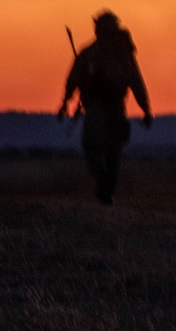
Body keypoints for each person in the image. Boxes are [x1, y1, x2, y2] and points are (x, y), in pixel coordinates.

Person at [58, 11, 153, 204]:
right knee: (112, 152)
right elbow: (136, 82)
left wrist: (65, 103)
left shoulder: (90, 53)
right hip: (115, 108)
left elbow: (73, 80)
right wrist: (145, 109)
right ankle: (106, 190)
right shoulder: (123, 55)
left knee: (93, 147)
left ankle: (104, 184)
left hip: (97, 109)